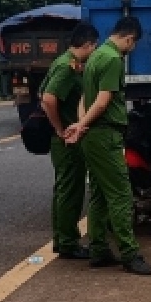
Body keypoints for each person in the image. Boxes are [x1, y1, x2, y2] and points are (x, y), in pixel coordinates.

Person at [64, 16, 151, 276]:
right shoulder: (113, 59)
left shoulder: (95, 56)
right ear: (129, 38)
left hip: (93, 135)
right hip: (105, 135)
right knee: (121, 195)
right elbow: (103, 102)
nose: (133, 48)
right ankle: (130, 254)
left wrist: (81, 124)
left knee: (100, 195)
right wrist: (83, 125)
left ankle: (99, 250)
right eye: (134, 43)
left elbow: (85, 97)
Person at [39, 22, 98, 259]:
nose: (95, 51)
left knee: (65, 188)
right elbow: (48, 99)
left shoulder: (66, 63)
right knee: (69, 190)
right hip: (66, 139)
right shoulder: (65, 67)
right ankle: (67, 242)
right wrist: (61, 129)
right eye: (94, 46)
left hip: (66, 137)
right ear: (86, 44)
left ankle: (63, 239)